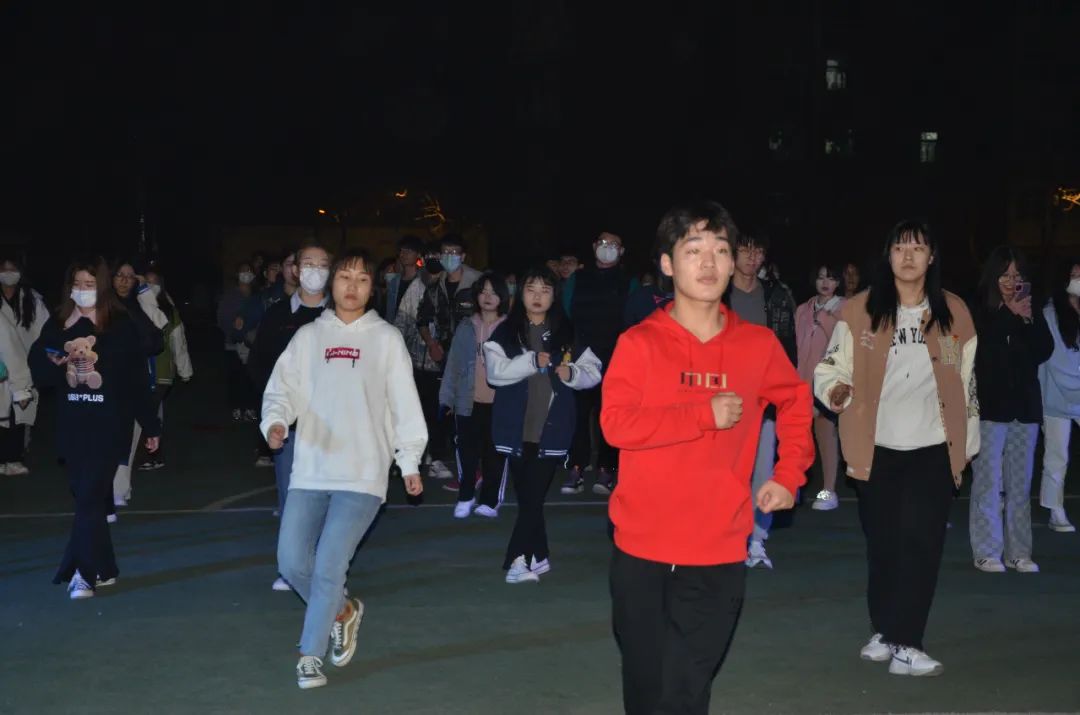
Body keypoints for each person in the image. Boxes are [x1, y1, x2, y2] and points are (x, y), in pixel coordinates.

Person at [602, 201, 812, 714]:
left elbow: (796, 402)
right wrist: (701, 414)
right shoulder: (639, 343)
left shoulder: (757, 345)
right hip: (641, 551)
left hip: (717, 551)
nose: (709, 263)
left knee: (685, 692)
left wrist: (788, 474)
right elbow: (616, 425)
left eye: (721, 250)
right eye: (693, 250)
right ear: (668, 263)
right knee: (646, 689)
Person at [815, 219, 978, 677]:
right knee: (884, 545)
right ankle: (885, 630)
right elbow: (831, 366)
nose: (908, 257)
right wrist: (836, 391)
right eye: (900, 248)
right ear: (887, 256)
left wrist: (966, 446)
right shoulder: (860, 310)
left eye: (918, 248)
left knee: (921, 545)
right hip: (877, 447)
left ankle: (908, 641)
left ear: (932, 257)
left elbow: (967, 383)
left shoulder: (954, 312)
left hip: (933, 447)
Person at [261, 249, 426, 689]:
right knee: (291, 561)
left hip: (363, 473)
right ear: (332, 283)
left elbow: (404, 404)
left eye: (363, 279)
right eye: (345, 277)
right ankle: (343, 611)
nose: (352, 286)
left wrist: (409, 459)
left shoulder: (386, 339)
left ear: (374, 288)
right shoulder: (309, 337)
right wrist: (275, 422)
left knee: (330, 563)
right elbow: (282, 389)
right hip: (311, 468)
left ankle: (309, 655)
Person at [29, 257, 160, 599]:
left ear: (101, 287)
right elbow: (39, 369)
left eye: (89, 284)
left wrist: (151, 424)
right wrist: (58, 363)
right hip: (73, 427)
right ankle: (105, 567)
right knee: (88, 499)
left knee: (88, 498)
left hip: (109, 427)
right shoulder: (59, 323)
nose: (82, 291)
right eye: (77, 284)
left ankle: (82, 573)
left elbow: (136, 380)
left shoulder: (120, 324)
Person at [485, 266, 601, 583]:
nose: (538, 296)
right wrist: (529, 362)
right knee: (530, 499)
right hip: (515, 429)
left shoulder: (567, 333)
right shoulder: (506, 332)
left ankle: (517, 560)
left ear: (554, 296)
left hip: (552, 430)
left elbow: (594, 369)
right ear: (520, 294)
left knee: (533, 497)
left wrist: (573, 374)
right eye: (531, 289)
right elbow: (495, 373)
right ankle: (538, 555)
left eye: (545, 290)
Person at [250, 243, 331, 590]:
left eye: (322, 264)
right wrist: (274, 414)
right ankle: (292, 568)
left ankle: (327, 572)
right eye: (307, 264)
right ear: (295, 270)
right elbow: (259, 366)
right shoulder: (277, 315)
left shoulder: (342, 316)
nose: (314, 271)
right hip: (292, 425)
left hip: (333, 426)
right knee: (291, 497)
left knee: (332, 500)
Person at [969, 247, 1053, 573]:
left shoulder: (1030, 308)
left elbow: (1044, 349)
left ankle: (1019, 552)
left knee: (1020, 484)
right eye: (1005, 275)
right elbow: (983, 352)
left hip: (1025, 408)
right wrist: (1008, 313)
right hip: (991, 408)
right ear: (993, 277)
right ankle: (987, 551)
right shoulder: (981, 310)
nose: (1012, 281)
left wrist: (1027, 319)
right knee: (988, 481)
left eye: (1017, 275)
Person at [728, 230, 797, 568]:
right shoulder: (717, 292)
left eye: (758, 252)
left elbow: (788, 346)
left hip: (764, 400)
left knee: (762, 470)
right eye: (745, 250)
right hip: (723, 397)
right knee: (725, 472)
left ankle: (756, 539)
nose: (752, 258)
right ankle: (727, 538)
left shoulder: (776, 295)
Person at [562, 231, 636, 496]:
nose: (608, 248)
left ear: (622, 251)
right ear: (594, 246)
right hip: (582, 356)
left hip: (616, 358)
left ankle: (607, 469)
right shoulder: (577, 279)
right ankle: (577, 467)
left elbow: (633, 320)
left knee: (609, 415)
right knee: (578, 414)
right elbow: (566, 311)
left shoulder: (629, 283)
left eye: (614, 245)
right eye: (603, 243)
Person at [440, 272, 511, 517]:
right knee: (466, 453)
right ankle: (466, 496)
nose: (488, 297)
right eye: (483, 291)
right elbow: (453, 365)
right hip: (467, 403)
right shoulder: (465, 327)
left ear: (503, 296)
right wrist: (446, 399)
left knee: (495, 455)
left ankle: (490, 501)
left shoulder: (510, 329)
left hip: (499, 404)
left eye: (493, 292)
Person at [109, 259, 166, 508]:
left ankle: (120, 489)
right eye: (119, 275)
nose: (124, 280)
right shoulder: (103, 308)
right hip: (108, 385)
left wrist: (145, 292)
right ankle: (112, 489)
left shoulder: (138, 306)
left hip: (136, 381)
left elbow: (159, 330)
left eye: (130, 276)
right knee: (112, 438)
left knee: (130, 437)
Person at [795, 264, 846, 510]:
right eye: (821, 277)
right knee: (798, 440)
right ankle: (794, 487)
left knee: (826, 437)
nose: (826, 283)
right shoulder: (802, 309)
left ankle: (829, 492)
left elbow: (843, 343)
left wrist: (826, 318)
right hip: (801, 383)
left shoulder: (845, 308)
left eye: (831, 278)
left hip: (829, 384)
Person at [134, 266, 194, 471]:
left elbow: (179, 342)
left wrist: (185, 370)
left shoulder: (168, 311)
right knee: (151, 412)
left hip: (161, 373)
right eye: (146, 282)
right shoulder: (134, 307)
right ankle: (150, 455)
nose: (151, 286)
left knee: (148, 413)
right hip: (141, 372)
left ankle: (151, 455)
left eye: (155, 282)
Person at [1038, 259, 1080, 533]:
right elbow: (1057, 362)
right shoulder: (1051, 315)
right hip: (1055, 397)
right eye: (1075, 274)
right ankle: (1055, 509)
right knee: (1057, 455)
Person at [217, 262, 259, 422]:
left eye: (249, 271)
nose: (246, 274)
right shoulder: (230, 296)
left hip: (253, 344)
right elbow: (222, 318)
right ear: (237, 275)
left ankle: (249, 407)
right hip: (233, 344)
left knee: (250, 377)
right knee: (235, 376)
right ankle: (236, 406)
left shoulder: (257, 295)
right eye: (243, 271)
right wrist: (235, 333)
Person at [382, 235, 423, 324]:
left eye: (409, 251)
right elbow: (390, 310)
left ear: (418, 254)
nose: (403, 254)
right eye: (401, 251)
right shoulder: (393, 281)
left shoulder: (423, 280)